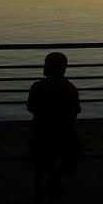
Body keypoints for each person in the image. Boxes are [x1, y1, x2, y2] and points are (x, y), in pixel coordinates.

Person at [27, 52, 82, 195]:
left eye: (46, 63)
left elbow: (31, 108)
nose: (43, 66)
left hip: (41, 138)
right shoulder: (71, 89)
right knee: (75, 144)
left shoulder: (37, 87)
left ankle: (51, 177)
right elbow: (75, 113)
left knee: (39, 146)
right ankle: (56, 177)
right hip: (64, 140)